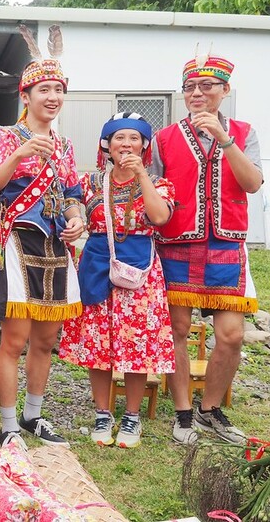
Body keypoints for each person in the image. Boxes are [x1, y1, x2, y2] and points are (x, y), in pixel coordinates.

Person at [150, 54, 262, 445]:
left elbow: (252, 183)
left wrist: (224, 139)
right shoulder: (164, 138)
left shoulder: (244, 133)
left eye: (207, 86)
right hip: (177, 242)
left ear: (224, 90)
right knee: (177, 329)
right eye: (190, 88)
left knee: (231, 335)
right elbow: (153, 191)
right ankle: (182, 412)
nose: (197, 93)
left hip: (227, 244)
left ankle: (210, 408)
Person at [0, 27, 85, 447]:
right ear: (25, 96)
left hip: (57, 247)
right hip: (18, 245)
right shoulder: (7, 137)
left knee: (46, 340)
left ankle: (33, 415)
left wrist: (77, 216)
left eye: (58, 90)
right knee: (15, 339)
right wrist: (20, 155)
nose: (52, 97)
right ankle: (8, 425)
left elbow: (73, 192)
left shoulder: (65, 144)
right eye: (44, 89)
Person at [59, 113, 176, 448]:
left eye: (134, 138)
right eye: (119, 138)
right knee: (98, 343)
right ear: (106, 145)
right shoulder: (90, 183)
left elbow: (159, 217)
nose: (126, 144)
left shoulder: (159, 183)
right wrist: (76, 220)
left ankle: (132, 417)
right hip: (98, 265)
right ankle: (102, 413)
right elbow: (70, 206)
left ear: (144, 146)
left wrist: (142, 176)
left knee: (136, 345)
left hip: (140, 272)